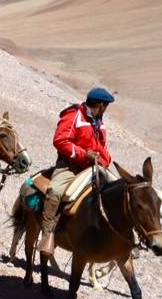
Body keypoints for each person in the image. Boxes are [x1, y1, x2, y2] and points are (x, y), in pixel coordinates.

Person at [37, 86, 115, 257]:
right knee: (55, 191)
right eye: (106, 106)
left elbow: (103, 147)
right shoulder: (74, 116)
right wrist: (84, 154)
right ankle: (48, 234)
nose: (106, 110)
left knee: (118, 190)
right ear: (101, 105)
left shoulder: (99, 124)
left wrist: (104, 160)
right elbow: (60, 140)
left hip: (94, 167)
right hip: (70, 166)